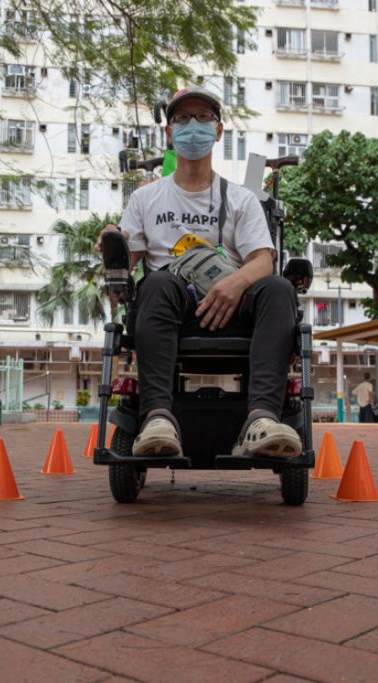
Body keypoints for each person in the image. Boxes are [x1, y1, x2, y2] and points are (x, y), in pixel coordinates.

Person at [96, 86, 300, 459]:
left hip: (233, 309)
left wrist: (234, 284)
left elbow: (262, 260)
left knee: (277, 288)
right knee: (156, 282)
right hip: (172, 308)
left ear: (218, 131)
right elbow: (125, 272)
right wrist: (114, 252)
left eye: (203, 118)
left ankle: (262, 420)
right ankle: (158, 418)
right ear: (170, 132)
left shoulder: (241, 198)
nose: (193, 126)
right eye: (183, 119)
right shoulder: (145, 199)